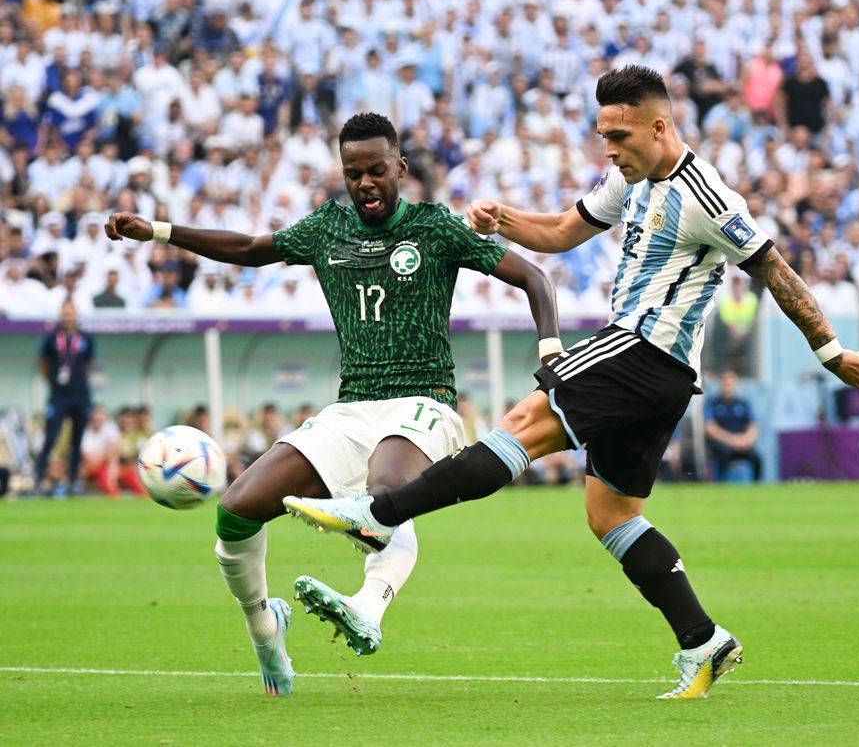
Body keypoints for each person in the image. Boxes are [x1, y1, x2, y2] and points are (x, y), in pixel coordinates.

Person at [284, 66, 859, 701]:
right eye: (603, 136)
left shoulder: (707, 197)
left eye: (619, 136)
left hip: (644, 350)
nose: (609, 149)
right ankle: (703, 641)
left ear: (659, 126)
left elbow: (775, 269)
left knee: (520, 426)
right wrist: (502, 219)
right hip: (663, 377)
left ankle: (378, 515)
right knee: (611, 515)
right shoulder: (629, 179)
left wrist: (832, 351)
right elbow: (563, 232)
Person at [104, 112, 559, 698]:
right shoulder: (327, 229)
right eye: (353, 173)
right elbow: (249, 248)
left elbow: (534, 278)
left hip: (425, 401)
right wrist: (160, 232)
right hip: (350, 411)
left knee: (382, 497)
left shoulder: (436, 228)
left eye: (376, 170)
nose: (365, 183)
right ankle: (265, 629)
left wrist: (551, 353)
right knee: (236, 509)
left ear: (399, 168)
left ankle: (369, 604)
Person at [34, 300, 95, 498]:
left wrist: (80, 381)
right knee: (50, 438)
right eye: (65, 313)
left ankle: (73, 481)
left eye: (71, 312)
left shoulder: (85, 337)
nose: (68, 316)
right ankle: (38, 480)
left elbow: (90, 363)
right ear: (61, 314)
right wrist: (53, 382)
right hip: (58, 396)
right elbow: (42, 363)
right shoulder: (52, 337)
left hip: (80, 396)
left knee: (77, 440)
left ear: (76, 314)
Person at [705, 371, 762, 482]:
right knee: (723, 455)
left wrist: (746, 440)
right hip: (722, 444)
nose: (727, 387)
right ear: (720, 384)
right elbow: (710, 428)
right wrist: (732, 440)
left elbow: (753, 427)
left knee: (756, 458)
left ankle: (756, 486)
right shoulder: (712, 403)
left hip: (742, 443)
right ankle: (721, 485)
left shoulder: (743, 403)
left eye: (730, 384)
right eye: (725, 384)